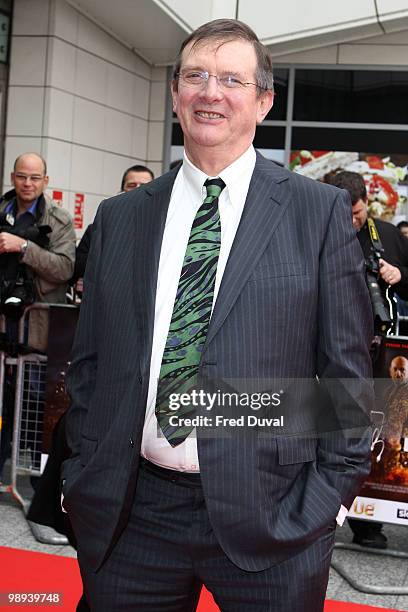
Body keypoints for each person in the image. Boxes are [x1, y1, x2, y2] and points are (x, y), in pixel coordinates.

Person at [63, 19, 373, 611]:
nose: (212, 92)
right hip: (135, 515)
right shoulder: (122, 217)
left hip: (275, 516)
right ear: (176, 93)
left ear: (264, 101)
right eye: (196, 75)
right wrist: (84, 471)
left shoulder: (318, 213)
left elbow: (347, 380)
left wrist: (325, 502)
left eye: (232, 78)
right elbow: (91, 363)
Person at [328, 170, 408, 549]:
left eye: (357, 213)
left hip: (381, 356)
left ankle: (367, 524)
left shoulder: (387, 235)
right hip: (329, 355)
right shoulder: (318, 231)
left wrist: (399, 274)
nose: (353, 221)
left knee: (377, 438)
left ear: (366, 205)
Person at [0, 152, 76, 483]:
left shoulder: (58, 220)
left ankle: (34, 482)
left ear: (45, 181)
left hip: (37, 325)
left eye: (34, 178)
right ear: (12, 177)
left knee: (33, 403)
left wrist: (23, 248)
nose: (27, 183)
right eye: (21, 176)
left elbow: (64, 269)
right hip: (4, 319)